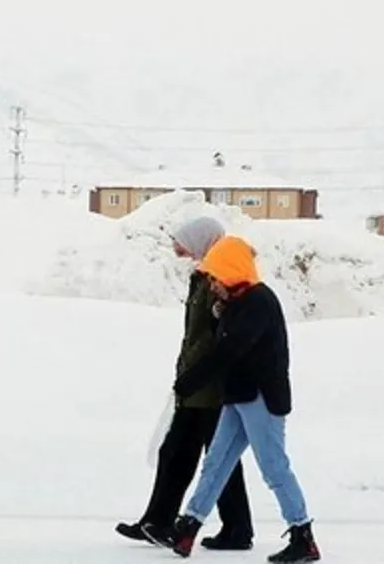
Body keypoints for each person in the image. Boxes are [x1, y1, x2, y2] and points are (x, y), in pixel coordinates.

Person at [144, 235, 321, 562]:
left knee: (273, 467)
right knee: (216, 463)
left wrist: (191, 381)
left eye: (215, 277)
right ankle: (188, 528)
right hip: (237, 396)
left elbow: (229, 350)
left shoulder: (259, 302)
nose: (212, 285)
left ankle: (302, 535)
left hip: (261, 399)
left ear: (230, 271)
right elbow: (225, 339)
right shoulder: (237, 302)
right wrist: (218, 314)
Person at [116, 216, 255, 551]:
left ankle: (235, 529)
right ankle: (158, 521)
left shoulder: (219, 279)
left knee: (215, 458)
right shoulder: (202, 276)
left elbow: (213, 338)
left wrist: (195, 372)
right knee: (179, 452)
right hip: (195, 384)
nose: (177, 248)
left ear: (201, 238)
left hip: (208, 387)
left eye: (182, 241)